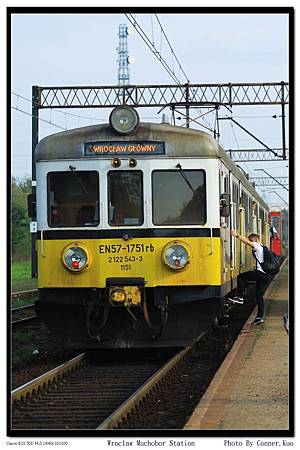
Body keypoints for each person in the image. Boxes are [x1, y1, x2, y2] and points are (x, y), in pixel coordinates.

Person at [228, 230, 270, 325]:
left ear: (255, 239)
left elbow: (247, 242)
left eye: (252, 241)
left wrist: (237, 235)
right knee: (259, 296)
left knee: (241, 277)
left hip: (260, 274)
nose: (251, 243)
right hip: (265, 275)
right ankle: (260, 317)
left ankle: (240, 297)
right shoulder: (265, 248)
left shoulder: (258, 246)